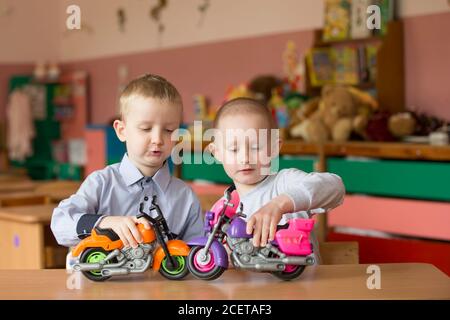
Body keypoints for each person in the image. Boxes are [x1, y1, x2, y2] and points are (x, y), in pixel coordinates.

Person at [51, 74, 203, 249]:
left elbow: (196, 256)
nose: (158, 139)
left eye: (169, 130)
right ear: (122, 131)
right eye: (146, 128)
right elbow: (60, 223)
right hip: (103, 275)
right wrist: (103, 222)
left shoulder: (185, 197)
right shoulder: (101, 183)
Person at [208, 97, 345, 263]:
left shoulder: (285, 183)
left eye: (256, 147)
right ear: (216, 153)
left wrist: (280, 204)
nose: (245, 158)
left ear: (274, 147)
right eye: (234, 149)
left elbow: (335, 187)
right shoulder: (224, 208)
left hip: (307, 286)